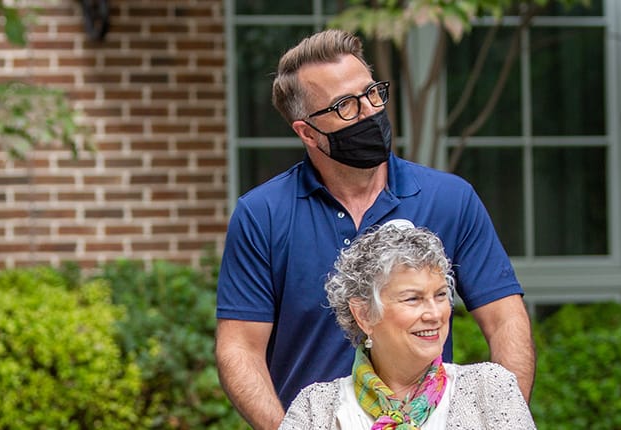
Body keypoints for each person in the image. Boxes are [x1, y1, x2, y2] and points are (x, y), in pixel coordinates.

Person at [215, 29, 535, 429]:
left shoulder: (450, 198)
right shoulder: (262, 214)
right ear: (307, 132)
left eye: (372, 93)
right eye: (345, 105)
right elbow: (240, 349)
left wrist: (503, 417)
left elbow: (506, 320)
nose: (368, 111)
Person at [278, 222, 535, 429]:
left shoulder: (489, 388)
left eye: (441, 295)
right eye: (413, 299)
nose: (434, 313)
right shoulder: (316, 408)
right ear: (364, 314)